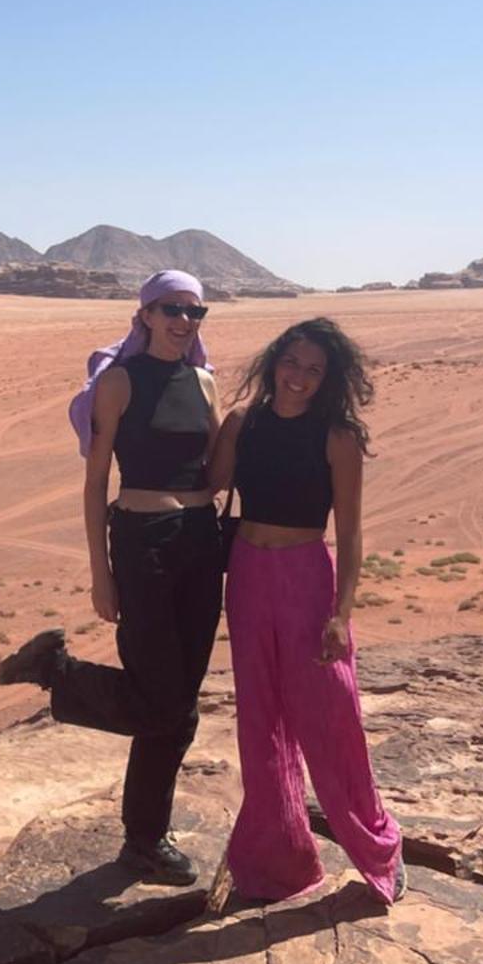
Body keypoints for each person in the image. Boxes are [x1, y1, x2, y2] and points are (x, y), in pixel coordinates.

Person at [0, 270, 225, 884]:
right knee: (162, 701)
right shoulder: (119, 383)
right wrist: (102, 572)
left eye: (195, 312)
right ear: (144, 314)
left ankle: (144, 841)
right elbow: (96, 483)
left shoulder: (205, 383)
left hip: (202, 548)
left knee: (179, 707)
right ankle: (56, 671)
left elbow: (216, 469)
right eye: (172, 309)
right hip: (143, 544)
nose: (184, 321)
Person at [206, 317, 405, 908]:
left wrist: (341, 613)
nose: (298, 378)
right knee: (259, 721)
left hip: (304, 576)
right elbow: (210, 483)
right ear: (275, 362)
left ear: (329, 379)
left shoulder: (338, 437)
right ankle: (279, 864)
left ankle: (379, 847)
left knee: (332, 717)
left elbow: (350, 533)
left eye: (314, 370)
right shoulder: (244, 423)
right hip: (246, 575)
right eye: (291, 363)